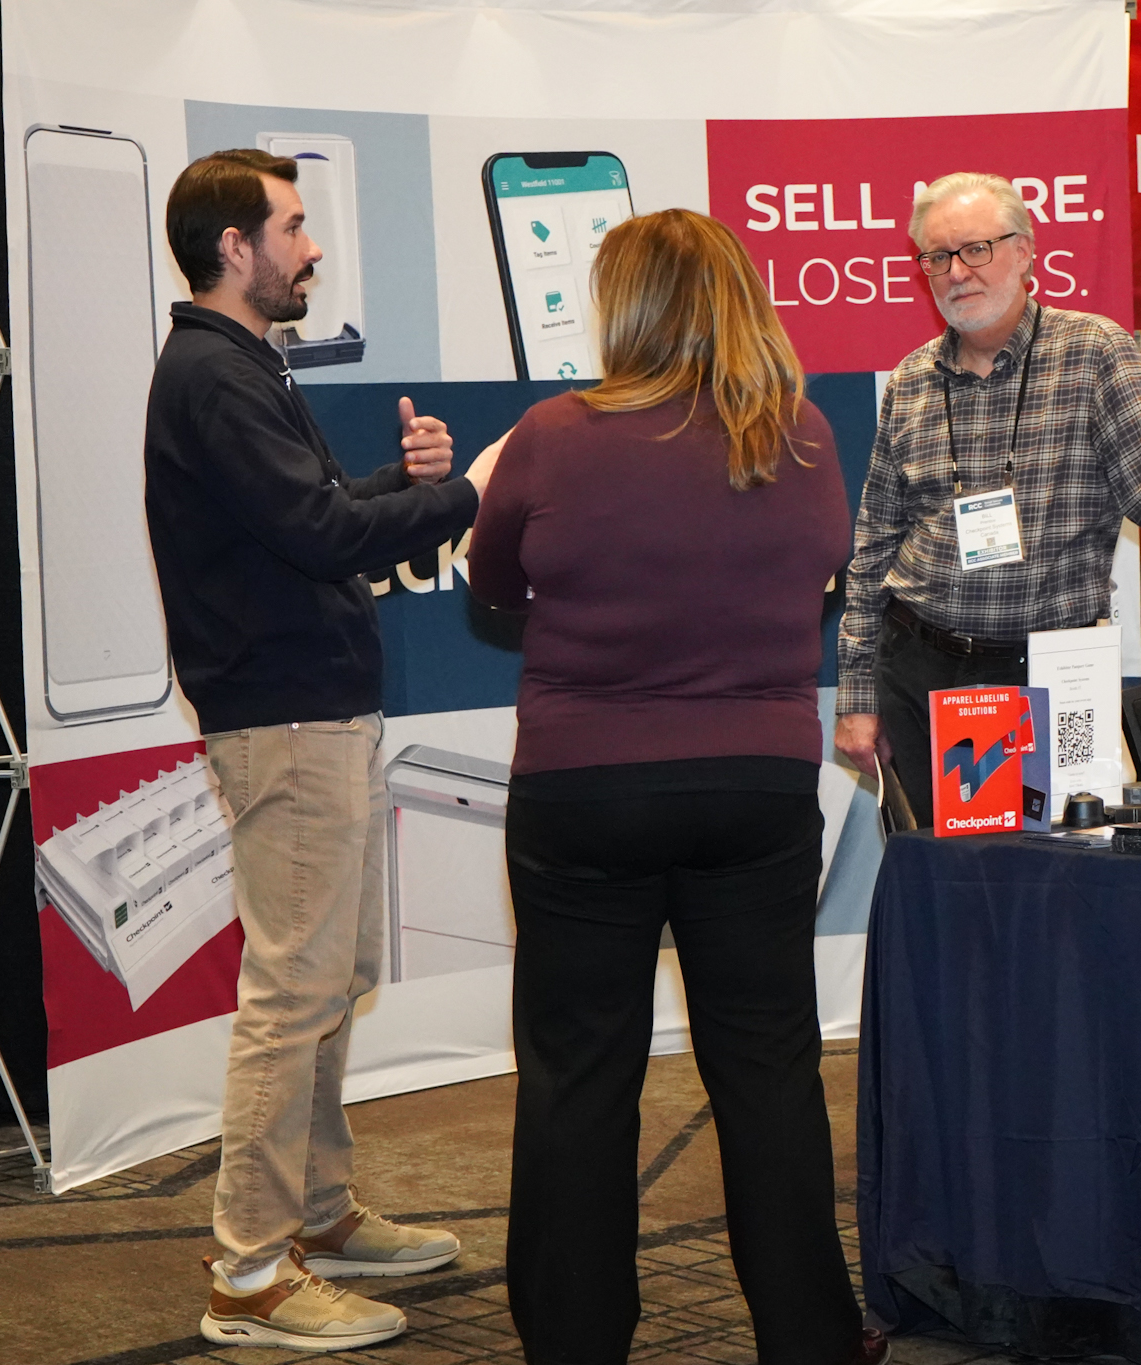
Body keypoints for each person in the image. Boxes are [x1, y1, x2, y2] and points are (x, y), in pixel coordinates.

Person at [468, 209, 885, 1365]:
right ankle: (811, 1338)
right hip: (754, 790)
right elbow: (822, 576)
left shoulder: (552, 435)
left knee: (578, 1074)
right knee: (767, 1069)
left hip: (583, 793)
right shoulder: (801, 436)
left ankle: (574, 1341)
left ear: (628, 310)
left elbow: (492, 582)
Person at [144, 149, 491, 1351]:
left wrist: (403, 481)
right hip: (286, 720)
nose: (312, 248)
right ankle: (249, 1275)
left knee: (329, 982)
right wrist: (463, 494)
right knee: (295, 993)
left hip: (309, 712)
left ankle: (318, 1213)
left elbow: (307, 512)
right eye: (291, 227)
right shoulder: (213, 372)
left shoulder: (237, 363)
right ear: (233, 246)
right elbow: (320, 531)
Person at [833, 172, 1141, 822]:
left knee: (1050, 869)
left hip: (1047, 676)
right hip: (921, 677)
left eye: (976, 249)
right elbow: (873, 550)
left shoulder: (1095, 355)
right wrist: (856, 694)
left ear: (1024, 251)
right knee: (935, 873)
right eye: (937, 257)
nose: (957, 272)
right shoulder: (910, 382)